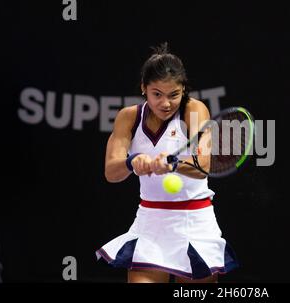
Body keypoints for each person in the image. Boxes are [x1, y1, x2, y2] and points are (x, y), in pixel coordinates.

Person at [96, 42, 238, 283]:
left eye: (174, 94)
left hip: (195, 223)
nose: (166, 103)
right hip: (150, 222)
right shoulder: (128, 117)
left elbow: (203, 166)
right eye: (157, 94)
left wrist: (172, 163)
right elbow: (111, 172)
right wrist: (132, 162)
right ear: (144, 88)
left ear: (183, 89)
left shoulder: (194, 110)